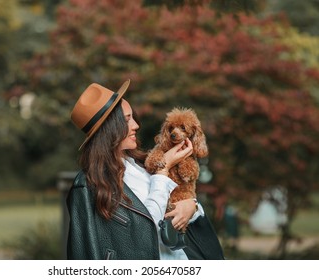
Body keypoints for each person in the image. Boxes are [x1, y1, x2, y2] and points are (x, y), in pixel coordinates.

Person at [67, 79, 224, 260]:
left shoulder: (142, 164)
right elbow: (145, 231)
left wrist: (193, 207)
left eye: (133, 117)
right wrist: (163, 170)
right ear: (109, 128)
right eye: (127, 120)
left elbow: (177, 204)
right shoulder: (92, 185)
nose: (136, 125)